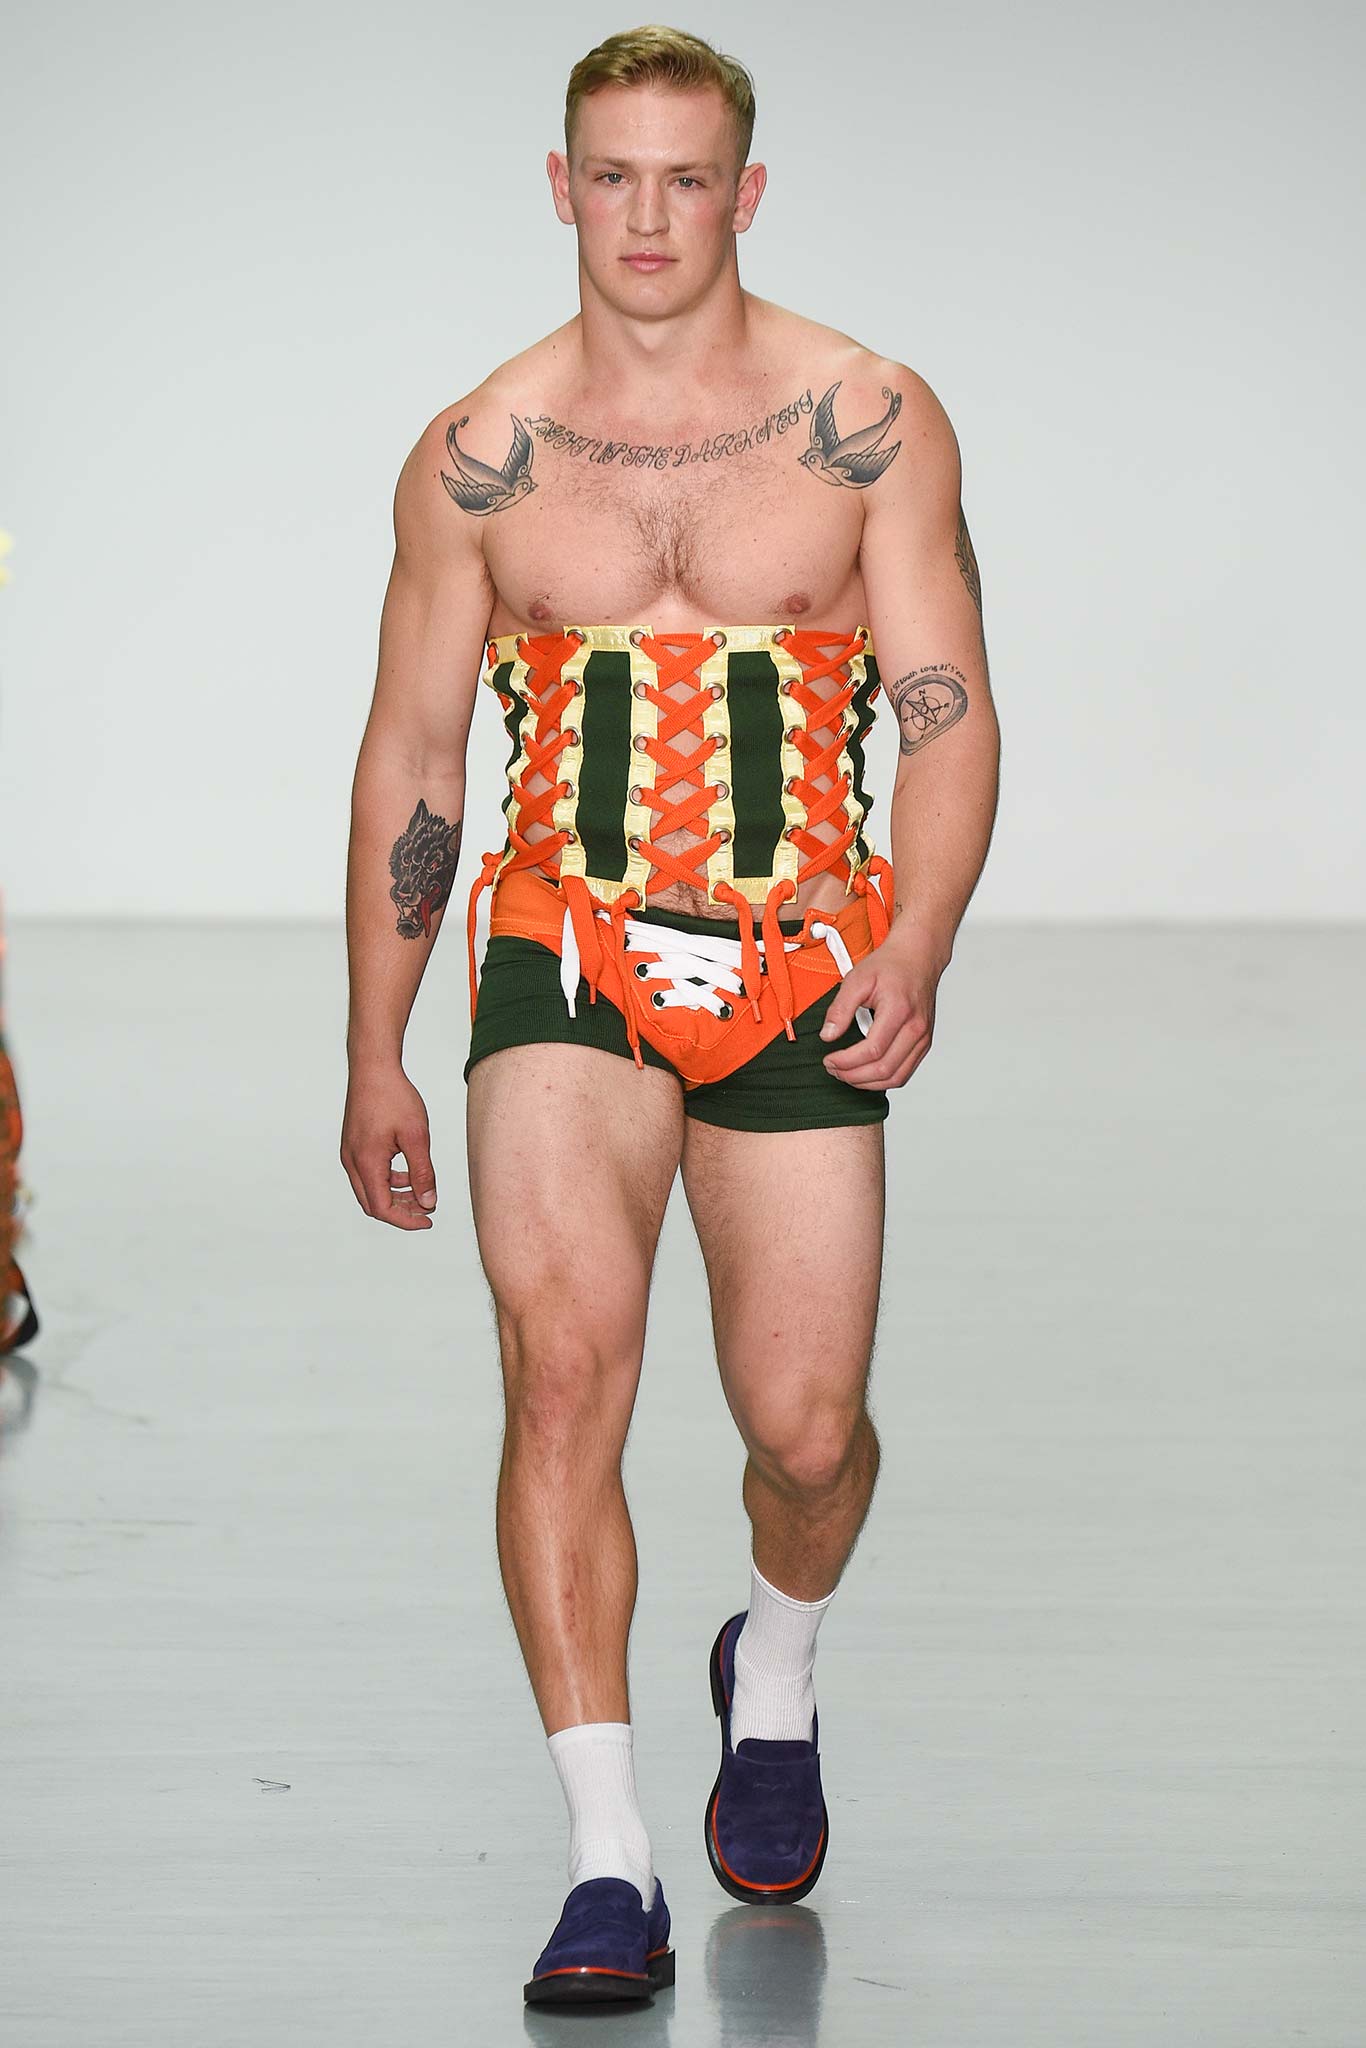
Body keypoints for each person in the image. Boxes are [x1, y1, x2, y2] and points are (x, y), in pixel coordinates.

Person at [340, 23, 1000, 2008]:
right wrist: (375, 1043)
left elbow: (944, 709)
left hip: (803, 953)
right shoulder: (479, 452)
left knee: (804, 1431)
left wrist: (916, 944)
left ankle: (769, 1670)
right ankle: (604, 1859)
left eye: (683, 179)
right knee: (561, 1376)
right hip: (561, 946)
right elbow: (414, 758)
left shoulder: (864, 416)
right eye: (611, 177)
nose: (646, 216)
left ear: (743, 192)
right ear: (561, 186)